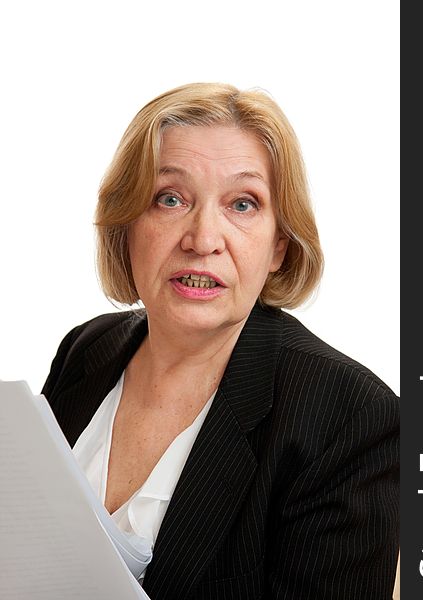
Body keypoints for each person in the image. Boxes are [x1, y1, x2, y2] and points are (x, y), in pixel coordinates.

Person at [42, 82, 399, 599]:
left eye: (243, 204)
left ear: (279, 245)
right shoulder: (85, 350)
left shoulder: (349, 418)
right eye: (170, 198)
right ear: (126, 226)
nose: (203, 239)